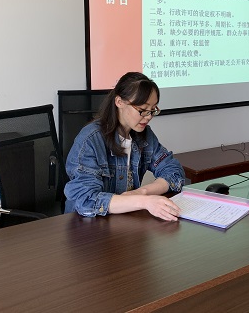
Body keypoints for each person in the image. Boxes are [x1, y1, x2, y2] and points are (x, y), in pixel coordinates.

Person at [64, 72, 185, 221]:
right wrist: (144, 202)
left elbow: (174, 171)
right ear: (119, 102)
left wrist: (142, 192)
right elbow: (86, 200)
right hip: (86, 224)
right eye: (142, 110)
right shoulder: (91, 139)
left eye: (153, 110)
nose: (148, 117)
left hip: (123, 221)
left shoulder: (144, 135)